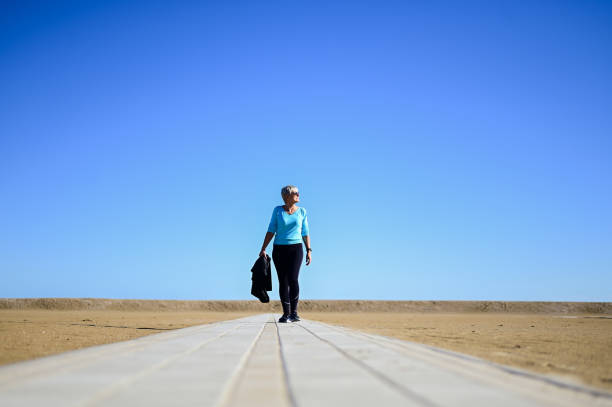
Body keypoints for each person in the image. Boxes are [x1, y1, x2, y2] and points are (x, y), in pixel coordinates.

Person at [259, 185, 311, 323]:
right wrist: (263, 248)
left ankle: (294, 313)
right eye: (296, 193)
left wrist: (309, 250)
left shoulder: (302, 212)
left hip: (296, 248)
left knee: (293, 279)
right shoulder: (277, 211)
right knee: (283, 280)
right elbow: (271, 230)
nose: (298, 195)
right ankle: (286, 313)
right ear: (287, 196)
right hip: (279, 249)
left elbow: (305, 232)